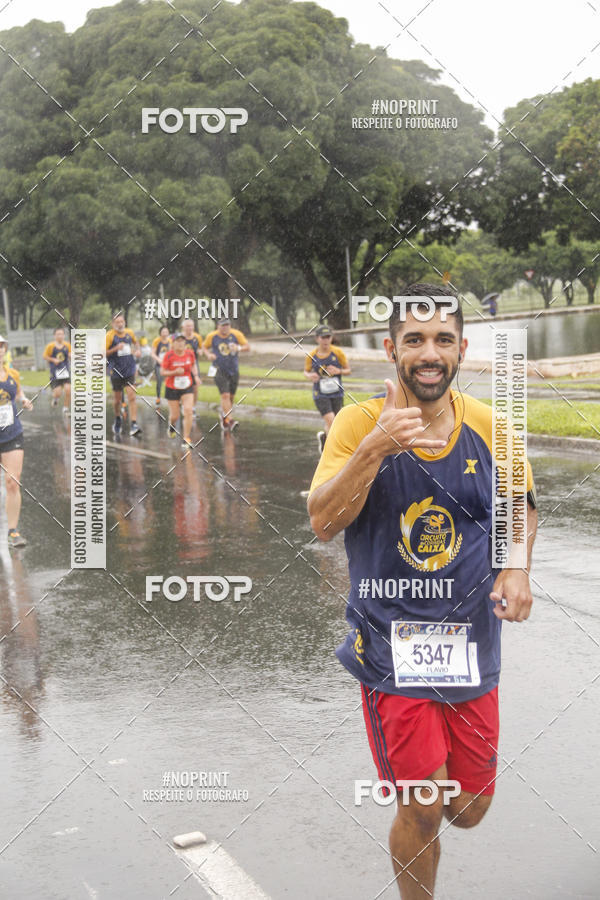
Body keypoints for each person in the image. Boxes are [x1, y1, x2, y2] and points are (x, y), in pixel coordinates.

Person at [307, 284, 538, 899]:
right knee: (426, 807)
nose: (428, 353)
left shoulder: (491, 425)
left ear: (461, 348)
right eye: (415, 340)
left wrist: (515, 567)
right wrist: (376, 449)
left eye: (442, 340)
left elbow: (520, 505)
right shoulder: (359, 422)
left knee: (467, 807)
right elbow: (323, 520)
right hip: (390, 648)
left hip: (472, 646)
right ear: (392, 349)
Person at [0, 335, 33, 548]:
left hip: (12, 433)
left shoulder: (12, 373)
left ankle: (13, 531)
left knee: (12, 482)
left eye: (1, 346)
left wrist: (23, 400)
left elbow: (18, 392)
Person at [304, 324, 351, 453]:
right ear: (317, 339)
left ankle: (324, 440)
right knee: (332, 421)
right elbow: (305, 371)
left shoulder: (338, 352)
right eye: (322, 337)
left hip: (337, 392)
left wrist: (338, 371)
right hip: (320, 394)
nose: (325, 340)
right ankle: (334, 452)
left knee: (333, 422)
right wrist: (310, 376)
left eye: (328, 337)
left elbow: (348, 370)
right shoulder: (312, 355)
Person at [203, 318, 249, 431]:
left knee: (231, 397)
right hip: (218, 368)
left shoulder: (236, 334)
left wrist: (238, 348)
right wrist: (208, 355)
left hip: (233, 369)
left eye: (227, 325)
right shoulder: (212, 336)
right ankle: (230, 420)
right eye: (223, 326)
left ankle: (225, 416)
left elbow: (247, 347)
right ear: (218, 326)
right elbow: (204, 347)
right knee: (225, 395)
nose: (225, 328)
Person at [106, 313, 142, 436]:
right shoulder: (109, 336)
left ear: (124, 322)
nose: (120, 324)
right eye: (117, 322)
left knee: (132, 396)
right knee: (117, 400)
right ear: (113, 324)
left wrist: (137, 351)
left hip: (129, 369)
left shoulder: (129, 333)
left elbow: (136, 343)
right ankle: (117, 418)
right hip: (115, 371)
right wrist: (115, 349)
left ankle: (134, 424)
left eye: (122, 322)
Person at [161, 332, 199, 447]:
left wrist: (196, 376)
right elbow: (163, 372)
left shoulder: (190, 353)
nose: (181, 343)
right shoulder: (168, 355)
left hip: (187, 386)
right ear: (173, 343)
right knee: (175, 416)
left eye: (182, 341)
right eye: (178, 341)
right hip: (172, 387)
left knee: (188, 411)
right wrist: (174, 372)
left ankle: (186, 438)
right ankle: (171, 426)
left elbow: (193, 365)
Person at [43, 326, 71, 414]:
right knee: (58, 393)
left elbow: (70, 354)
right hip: (55, 373)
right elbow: (45, 356)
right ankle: (55, 398)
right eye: (58, 334)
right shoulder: (50, 346)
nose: (60, 336)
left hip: (65, 372)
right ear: (54, 335)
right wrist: (53, 360)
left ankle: (65, 408)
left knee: (68, 390)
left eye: (62, 334)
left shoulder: (67, 345)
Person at [181, 318, 203, 409]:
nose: (190, 328)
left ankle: (193, 407)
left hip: (194, 363)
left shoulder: (197, 337)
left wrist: (200, 351)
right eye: (188, 326)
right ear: (183, 327)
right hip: (182, 363)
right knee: (182, 386)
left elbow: (201, 348)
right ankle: (182, 404)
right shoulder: (180, 338)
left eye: (191, 326)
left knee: (195, 386)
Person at [151, 325, 171, 406]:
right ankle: (158, 398)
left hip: (168, 365)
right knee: (159, 382)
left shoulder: (170, 341)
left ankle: (170, 398)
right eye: (163, 332)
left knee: (169, 381)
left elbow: (171, 352)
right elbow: (152, 353)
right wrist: (159, 360)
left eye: (166, 332)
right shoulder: (157, 341)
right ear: (160, 333)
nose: (165, 334)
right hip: (159, 365)